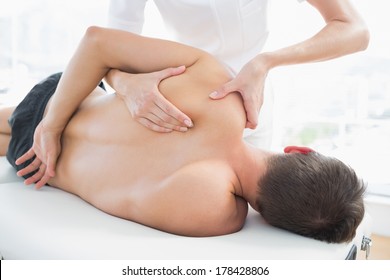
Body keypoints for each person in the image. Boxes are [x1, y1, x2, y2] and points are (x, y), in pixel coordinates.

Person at [1, 26, 365, 243]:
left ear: (299, 149)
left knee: (19, 116)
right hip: (36, 166)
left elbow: (97, 41)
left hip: (59, 103)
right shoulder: (216, 217)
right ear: (271, 220)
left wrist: (51, 125)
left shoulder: (222, 91)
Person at [105, 0, 370, 147]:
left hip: (258, 106)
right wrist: (125, 85)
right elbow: (107, 51)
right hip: (190, 110)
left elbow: (355, 30)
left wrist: (265, 62)